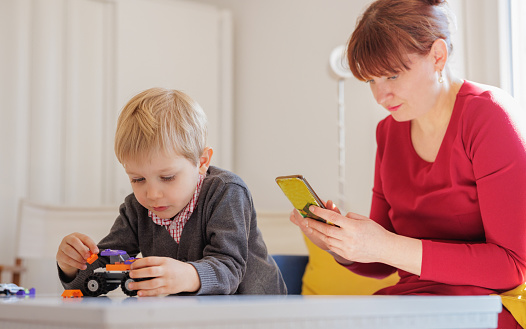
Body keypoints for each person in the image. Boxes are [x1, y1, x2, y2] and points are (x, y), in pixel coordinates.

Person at [290, 0, 526, 327]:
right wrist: (339, 245)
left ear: (438, 57)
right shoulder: (388, 132)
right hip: (413, 303)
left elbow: (512, 265)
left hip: (485, 305)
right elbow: (382, 261)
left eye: (392, 74)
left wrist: (385, 245)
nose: (381, 95)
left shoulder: (489, 117)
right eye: (371, 80)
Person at [57, 87, 286, 296]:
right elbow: (104, 271)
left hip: (260, 312)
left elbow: (230, 267)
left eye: (167, 177)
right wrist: (73, 267)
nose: (152, 194)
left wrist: (188, 275)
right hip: (194, 315)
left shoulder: (226, 192)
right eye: (138, 179)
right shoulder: (137, 209)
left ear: (202, 162)